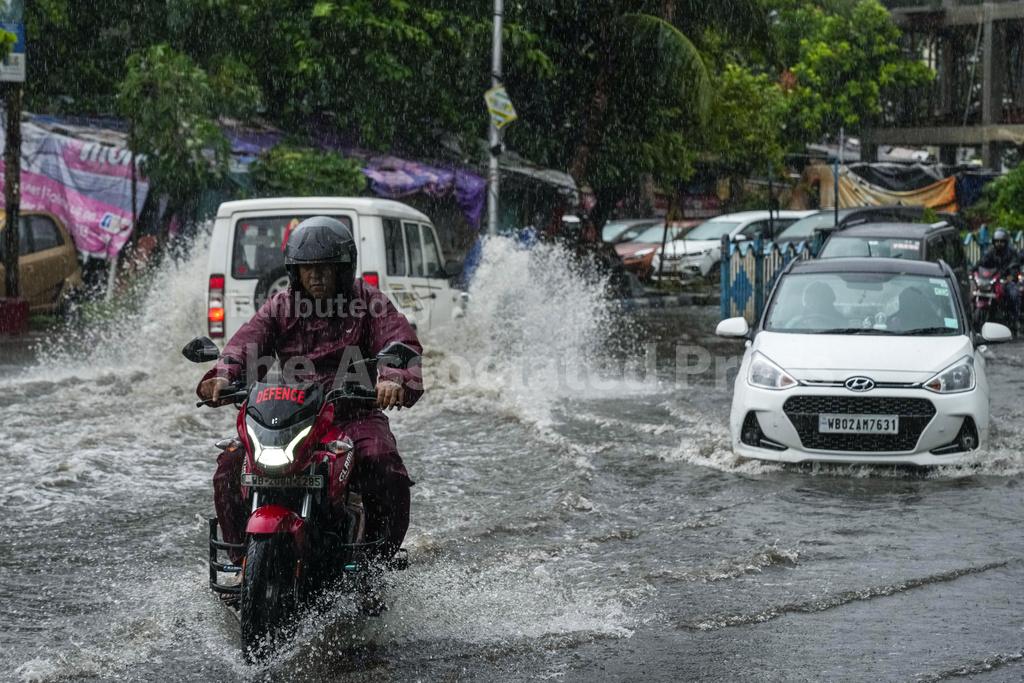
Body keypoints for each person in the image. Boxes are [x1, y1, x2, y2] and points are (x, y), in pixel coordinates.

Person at [196, 216, 422, 565]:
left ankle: (376, 562)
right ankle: (243, 560)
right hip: (292, 415)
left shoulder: (369, 302)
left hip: (353, 414)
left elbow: (398, 340)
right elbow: (245, 344)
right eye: (307, 268)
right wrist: (223, 376)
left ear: (343, 270)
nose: (315, 276)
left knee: (383, 464)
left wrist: (392, 379)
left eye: (325, 268)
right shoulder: (281, 307)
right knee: (230, 466)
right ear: (295, 271)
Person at [976, 227, 1021, 326]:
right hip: (992, 279)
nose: (999, 244)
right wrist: (974, 271)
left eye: (1001, 241)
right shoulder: (990, 252)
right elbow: (982, 263)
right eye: (997, 241)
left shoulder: (1011, 252)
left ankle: (1014, 319)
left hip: (1006, 280)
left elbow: (1015, 266)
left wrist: (1011, 276)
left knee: (1013, 294)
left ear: (1006, 242)